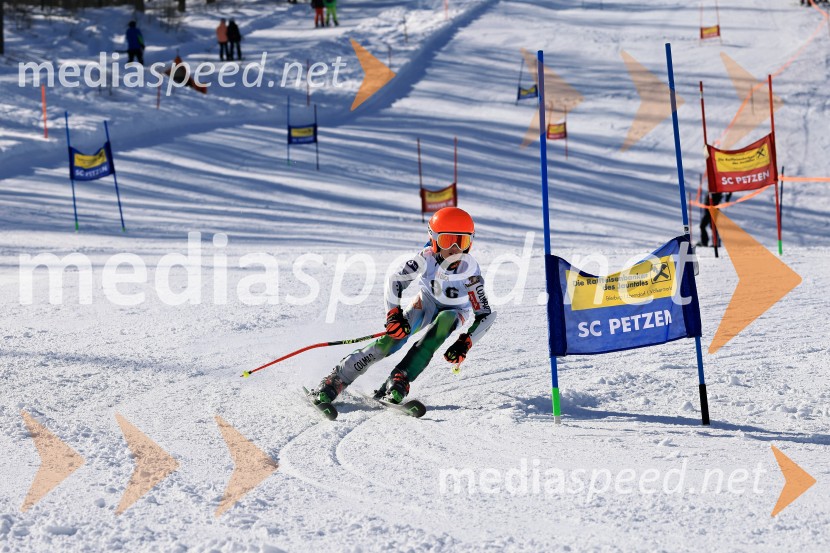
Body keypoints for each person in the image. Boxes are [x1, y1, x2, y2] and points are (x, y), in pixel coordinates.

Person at [308, 207, 497, 408]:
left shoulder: (470, 271)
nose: (455, 249)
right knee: (394, 339)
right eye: (447, 240)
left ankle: (400, 378)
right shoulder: (426, 257)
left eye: (462, 241)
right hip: (426, 303)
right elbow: (395, 280)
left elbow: (484, 315)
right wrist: (393, 315)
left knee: (443, 324)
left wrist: (465, 342)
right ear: (433, 239)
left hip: (456, 311)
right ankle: (336, 379)